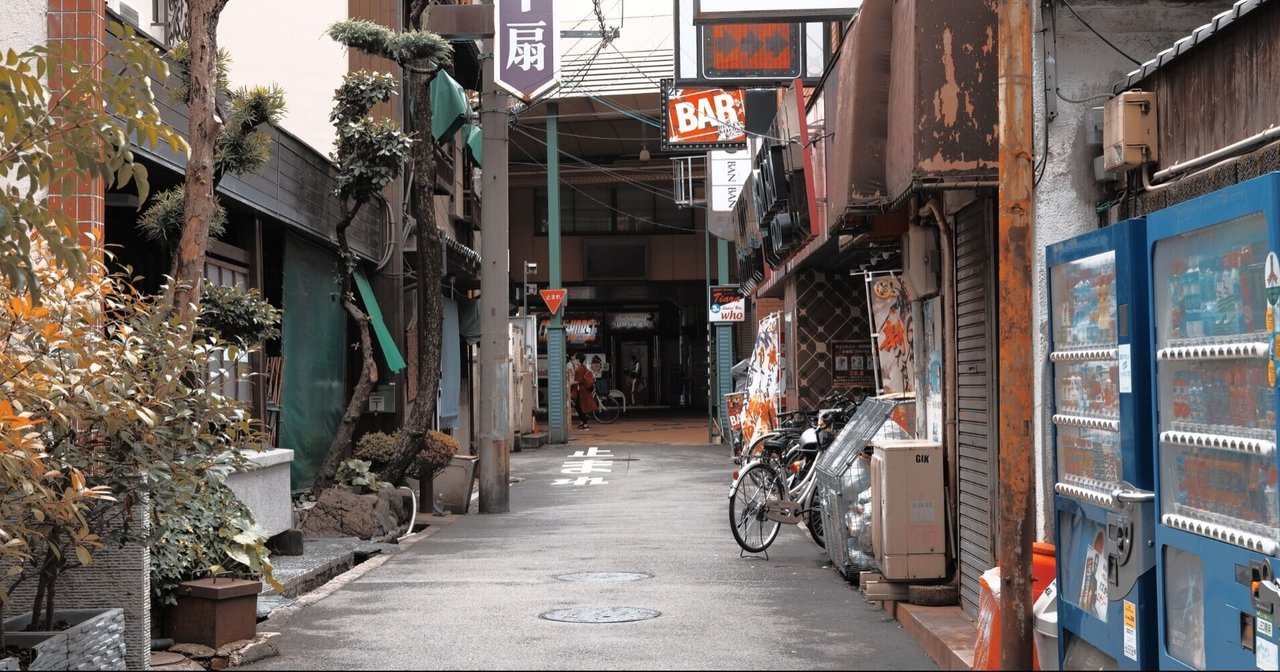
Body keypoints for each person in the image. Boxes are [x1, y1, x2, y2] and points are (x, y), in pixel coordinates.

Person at [570, 352, 597, 430]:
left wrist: (571, 382)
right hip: (583, 390)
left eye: (574, 359)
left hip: (581, 391)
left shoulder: (579, 369)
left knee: (581, 407)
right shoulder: (583, 367)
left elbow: (579, 380)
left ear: (578, 360)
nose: (573, 360)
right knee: (580, 406)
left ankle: (585, 425)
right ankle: (582, 423)